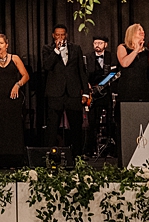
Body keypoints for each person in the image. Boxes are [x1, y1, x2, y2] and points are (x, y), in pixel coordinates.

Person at [42, 24, 87, 156]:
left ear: (66, 35)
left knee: (76, 127)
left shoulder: (76, 48)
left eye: (62, 35)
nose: (60, 37)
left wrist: (85, 92)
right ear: (53, 36)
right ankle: (50, 157)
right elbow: (47, 66)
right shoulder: (48, 49)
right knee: (52, 127)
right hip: (55, 93)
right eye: (57, 35)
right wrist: (56, 51)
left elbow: (81, 71)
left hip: (73, 93)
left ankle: (77, 156)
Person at [0, 34, 30, 168]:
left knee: (13, 127)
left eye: (1, 43)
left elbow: (26, 76)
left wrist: (17, 85)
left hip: (12, 98)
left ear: (7, 45)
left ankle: (15, 159)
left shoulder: (14, 58)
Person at [85, 35, 117, 155]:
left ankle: (110, 148)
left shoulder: (111, 56)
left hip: (107, 92)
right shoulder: (88, 57)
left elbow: (114, 72)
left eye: (100, 43)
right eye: (95, 43)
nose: (97, 45)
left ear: (105, 44)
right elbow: (84, 73)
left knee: (110, 120)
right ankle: (90, 149)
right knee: (92, 122)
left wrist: (102, 85)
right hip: (93, 93)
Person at [115, 24, 149, 102]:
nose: (142, 31)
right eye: (139, 29)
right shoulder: (122, 47)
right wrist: (136, 50)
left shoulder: (146, 51)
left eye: (143, 30)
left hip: (143, 88)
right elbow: (124, 63)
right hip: (127, 88)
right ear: (132, 33)